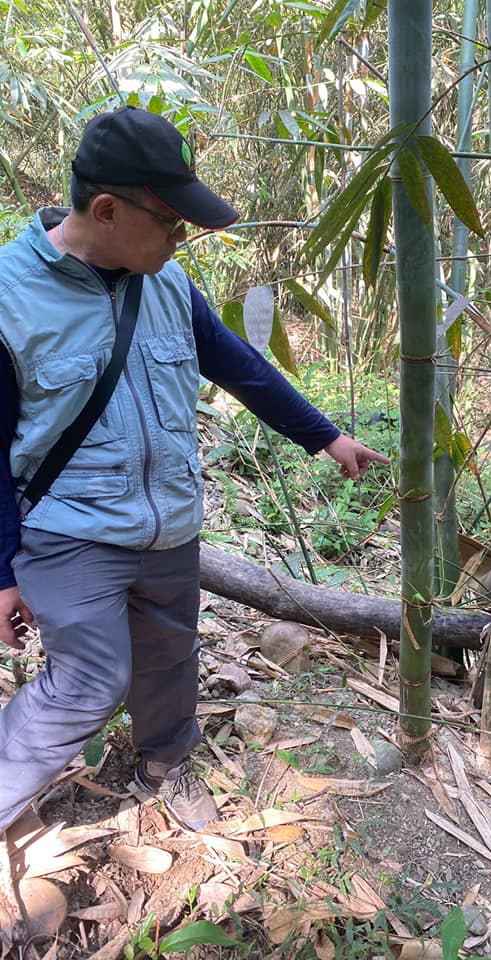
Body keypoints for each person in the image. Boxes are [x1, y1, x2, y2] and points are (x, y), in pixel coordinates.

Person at [0, 106, 390, 839]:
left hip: (169, 523)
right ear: (107, 210)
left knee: (169, 656)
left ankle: (164, 765)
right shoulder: (9, 298)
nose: (181, 238)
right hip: (69, 531)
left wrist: (325, 437)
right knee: (86, 684)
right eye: (171, 222)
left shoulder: (168, 284)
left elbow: (240, 367)